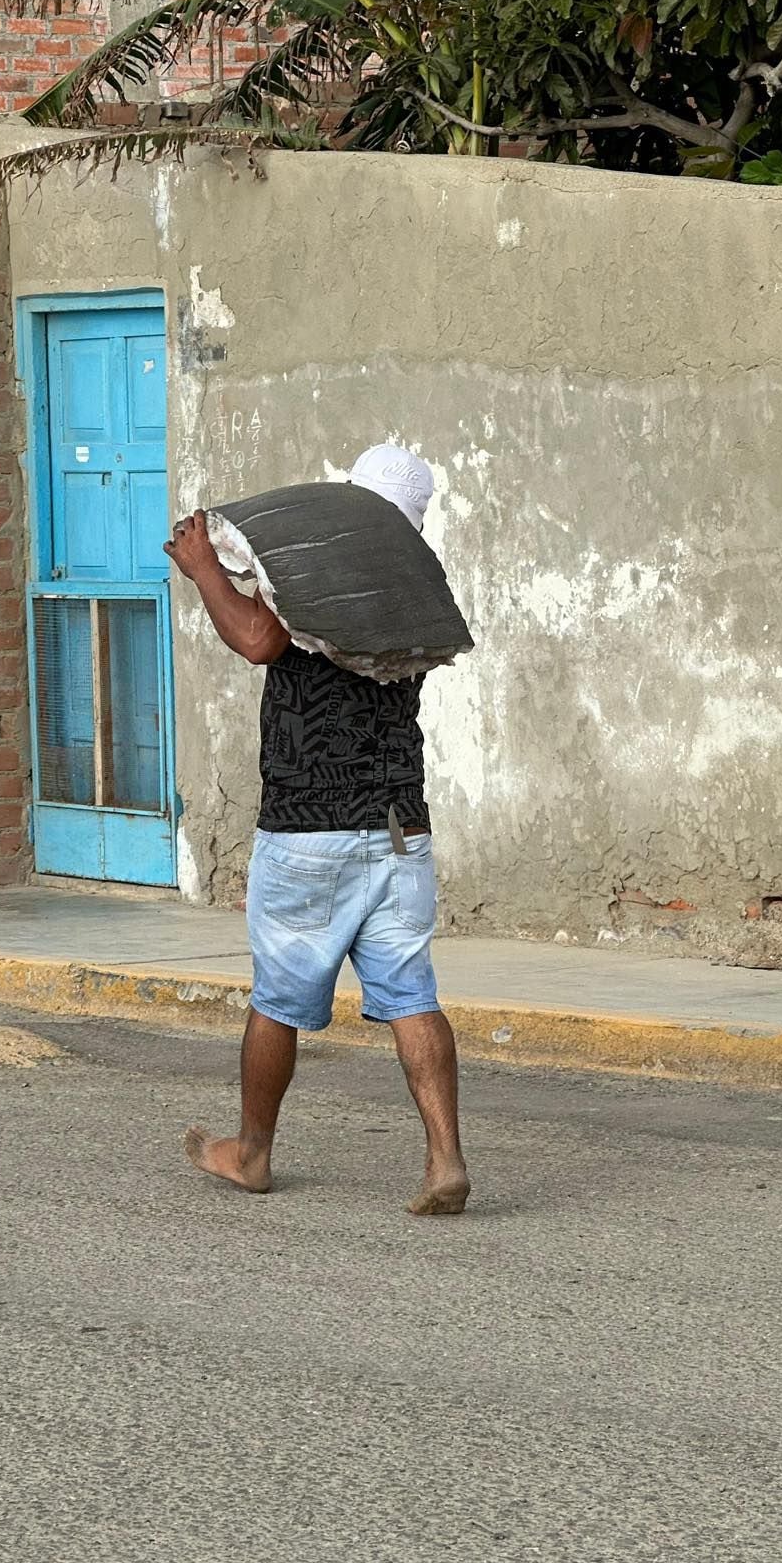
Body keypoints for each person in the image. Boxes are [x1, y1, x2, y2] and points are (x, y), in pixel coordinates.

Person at [163, 444, 470, 1216]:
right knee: (411, 995)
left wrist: (206, 571)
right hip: (400, 826)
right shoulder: (415, 587)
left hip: (311, 827)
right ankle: (444, 1161)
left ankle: (253, 1154)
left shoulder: (323, 573)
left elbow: (263, 641)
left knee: (279, 999)